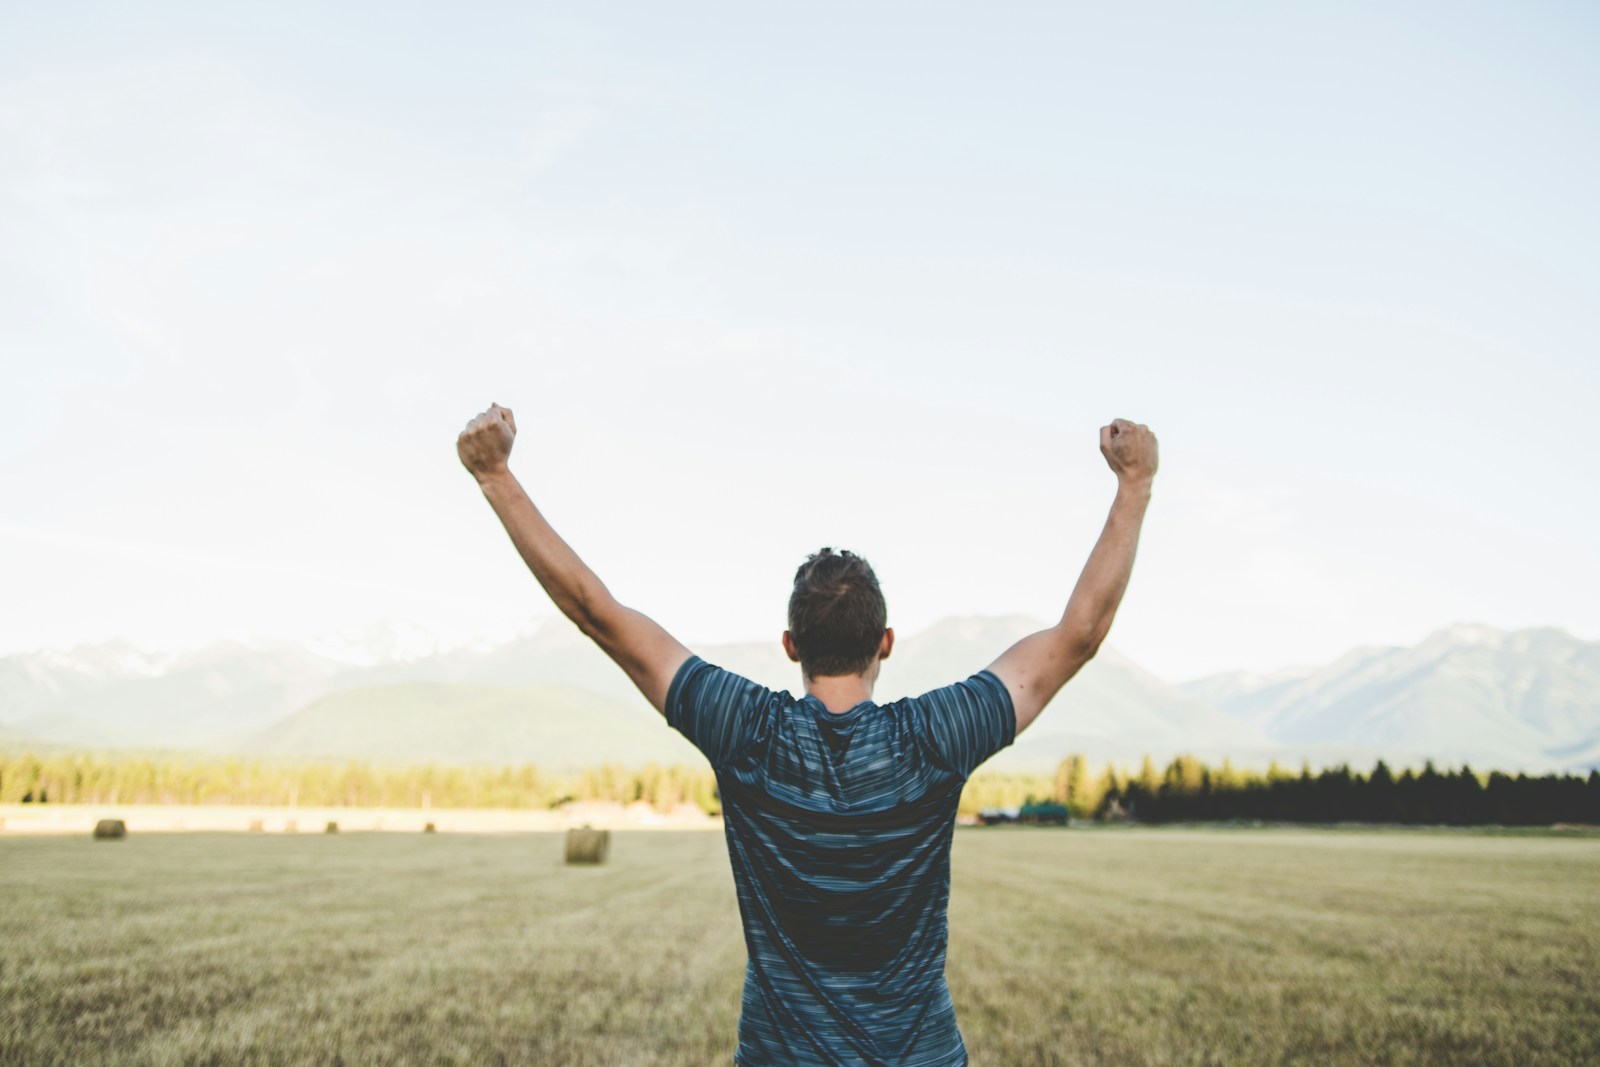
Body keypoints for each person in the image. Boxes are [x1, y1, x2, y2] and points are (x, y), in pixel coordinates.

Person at [457, 403, 1158, 1067]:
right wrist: (1135, 483)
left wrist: (497, 477)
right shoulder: (936, 737)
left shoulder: (746, 731)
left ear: (791, 643)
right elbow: (1079, 635)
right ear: (884, 640)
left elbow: (596, 613)